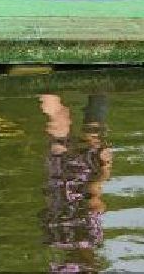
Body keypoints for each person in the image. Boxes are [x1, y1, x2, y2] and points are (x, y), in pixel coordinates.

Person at [40, 93, 111, 262]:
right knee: (63, 125)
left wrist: (105, 167)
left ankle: (97, 89)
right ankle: (49, 90)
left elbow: (95, 202)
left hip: (69, 177)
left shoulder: (89, 239)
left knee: (78, 126)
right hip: (62, 178)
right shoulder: (57, 240)